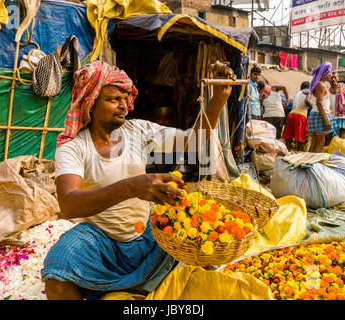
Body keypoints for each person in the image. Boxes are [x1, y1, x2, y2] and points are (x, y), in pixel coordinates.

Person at [41, 60, 235, 300]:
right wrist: (132, 187)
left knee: (201, 233)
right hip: (103, 242)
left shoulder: (137, 131)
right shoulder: (74, 147)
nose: (123, 106)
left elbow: (193, 142)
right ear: (90, 103)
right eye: (113, 99)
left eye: (125, 99)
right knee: (58, 266)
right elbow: (69, 204)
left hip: (149, 235)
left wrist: (217, 100)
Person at [307, 62, 335, 153]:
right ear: (325, 73)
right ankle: (315, 163)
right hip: (320, 116)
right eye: (330, 72)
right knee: (320, 142)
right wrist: (326, 119)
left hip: (315, 115)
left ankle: (309, 162)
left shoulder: (317, 84)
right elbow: (319, 103)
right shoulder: (321, 86)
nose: (331, 75)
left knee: (314, 142)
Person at [282, 81, 312, 151]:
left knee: (288, 138)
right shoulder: (308, 92)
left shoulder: (298, 93)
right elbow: (307, 101)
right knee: (300, 139)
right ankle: (299, 155)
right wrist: (313, 107)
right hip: (300, 116)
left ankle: (286, 153)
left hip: (291, 114)